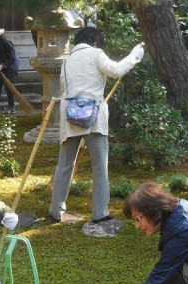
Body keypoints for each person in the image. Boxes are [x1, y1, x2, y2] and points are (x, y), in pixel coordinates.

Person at [49, 27, 144, 223]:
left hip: (70, 115)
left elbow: (64, 88)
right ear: (94, 41)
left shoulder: (67, 60)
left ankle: (55, 210)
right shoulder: (96, 53)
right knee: (100, 166)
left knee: (65, 165)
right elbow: (116, 71)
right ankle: (100, 213)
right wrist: (134, 57)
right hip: (93, 117)